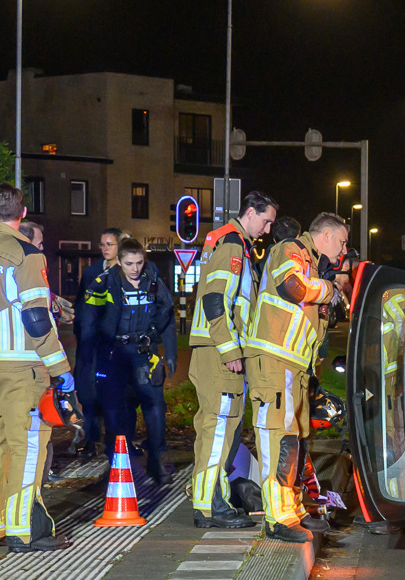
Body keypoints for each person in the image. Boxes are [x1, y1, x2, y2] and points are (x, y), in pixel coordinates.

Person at [0, 183, 76, 552]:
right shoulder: (26, 254)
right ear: (21, 215)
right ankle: (25, 529)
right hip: (23, 368)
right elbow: (37, 318)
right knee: (28, 442)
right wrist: (61, 368)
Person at [245, 211, 347, 543]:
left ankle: (293, 509)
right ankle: (277, 518)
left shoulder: (313, 264)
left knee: (298, 441)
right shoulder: (290, 250)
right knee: (280, 438)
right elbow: (293, 287)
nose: (343, 250)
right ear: (327, 235)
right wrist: (329, 290)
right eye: (342, 242)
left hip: (295, 367)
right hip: (274, 362)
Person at [187, 191, 277, 528]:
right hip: (219, 351)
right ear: (250, 212)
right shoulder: (232, 246)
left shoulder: (231, 243)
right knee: (219, 427)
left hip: (216, 350)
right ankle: (210, 506)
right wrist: (229, 350)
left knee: (220, 428)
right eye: (265, 220)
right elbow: (215, 299)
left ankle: (213, 499)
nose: (267, 229)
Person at [93, 237, 176, 486]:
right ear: (119, 261)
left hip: (144, 355)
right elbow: (90, 323)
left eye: (139, 262)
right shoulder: (107, 284)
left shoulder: (153, 282)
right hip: (116, 356)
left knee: (156, 413)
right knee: (118, 416)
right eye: (129, 263)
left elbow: (168, 317)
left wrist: (170, 354)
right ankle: (118, 466)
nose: (135, 268)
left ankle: (155, 462)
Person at [74, 229, 123, 458]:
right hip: (91, 343)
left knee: (114, 394)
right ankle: (91, 439)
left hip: (113, 344)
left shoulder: (125, 273)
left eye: (110, 244)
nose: (105, 248)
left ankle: (116, 441)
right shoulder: (92, 272)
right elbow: (81, 305)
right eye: (102, 244)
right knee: (89, 392)